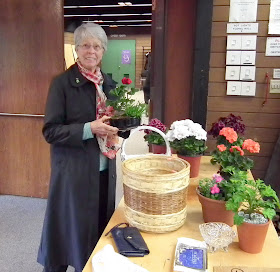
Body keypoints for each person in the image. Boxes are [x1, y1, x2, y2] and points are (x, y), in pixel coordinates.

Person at [37, 23, 120, 272]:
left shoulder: (109, 85)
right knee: (68, 231)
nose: (91, 51)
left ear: (103, 51)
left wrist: (121, 129)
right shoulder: (62, 84)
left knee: (98, 230)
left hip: (104, 169)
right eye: (85, 45)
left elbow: (114, 122)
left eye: (97, 46)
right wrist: (88, 129)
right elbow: (50, 131)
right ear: (76, 50)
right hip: (73, 172)